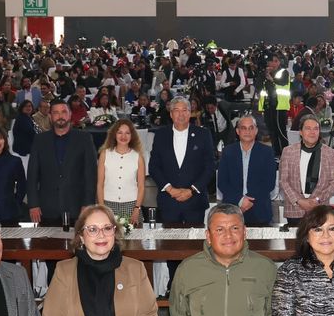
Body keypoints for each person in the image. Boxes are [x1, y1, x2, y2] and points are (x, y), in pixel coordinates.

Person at [25, 99, 98, 228]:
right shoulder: (40, 140)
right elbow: (32, 175)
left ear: (70, 114)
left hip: (77, 207)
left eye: (64, 112)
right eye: (56, 112)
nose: (60, 116)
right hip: (46, 208)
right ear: (50, 116)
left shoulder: (84, 139)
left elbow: (90, 175)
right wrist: (33, 204)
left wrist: (88, 204)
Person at [147, 96, 216, 227]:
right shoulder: (161, 135)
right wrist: (170, 189)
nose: (181, 114)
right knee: (169, 239)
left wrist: (191, 190)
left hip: (195, 202)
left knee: (195, 239)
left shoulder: (203, 134)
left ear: (190, 113)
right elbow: (154, 167)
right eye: (177, 110)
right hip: (168, 201)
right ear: (171, 114)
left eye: (185, 110)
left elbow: (210, 167)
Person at [215, 114, 278, 226]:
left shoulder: (267, 152)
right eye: (243, 128)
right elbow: (222, 182)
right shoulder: (228, 152)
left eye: (251, 128)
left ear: (256, 130)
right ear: (237, 131)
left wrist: (248, 201)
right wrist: (240, 200)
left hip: (259, 210)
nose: (247, 131)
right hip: (232, 210)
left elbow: (269, 183)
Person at [278, 113, 334, 225]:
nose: (312, 132)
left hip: (320, 209)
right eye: (308, 128)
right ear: (301, 132)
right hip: (294, 210)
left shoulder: (330, 153)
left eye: (316, 129)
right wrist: (299, 201)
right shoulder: (288, 151)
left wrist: (317, 200)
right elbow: (283, 181)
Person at [96, 119, 146, 225]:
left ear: (132, 135)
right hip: (108, 205)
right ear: (114, 134)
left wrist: (137, 208)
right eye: (120, 132)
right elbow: (100, 184)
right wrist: (102, 208)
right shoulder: (104, 154)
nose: (123, 136)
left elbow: (141, 186)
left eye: (127, 133)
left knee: (134, 235)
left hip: (131, 206)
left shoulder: (138, 157)